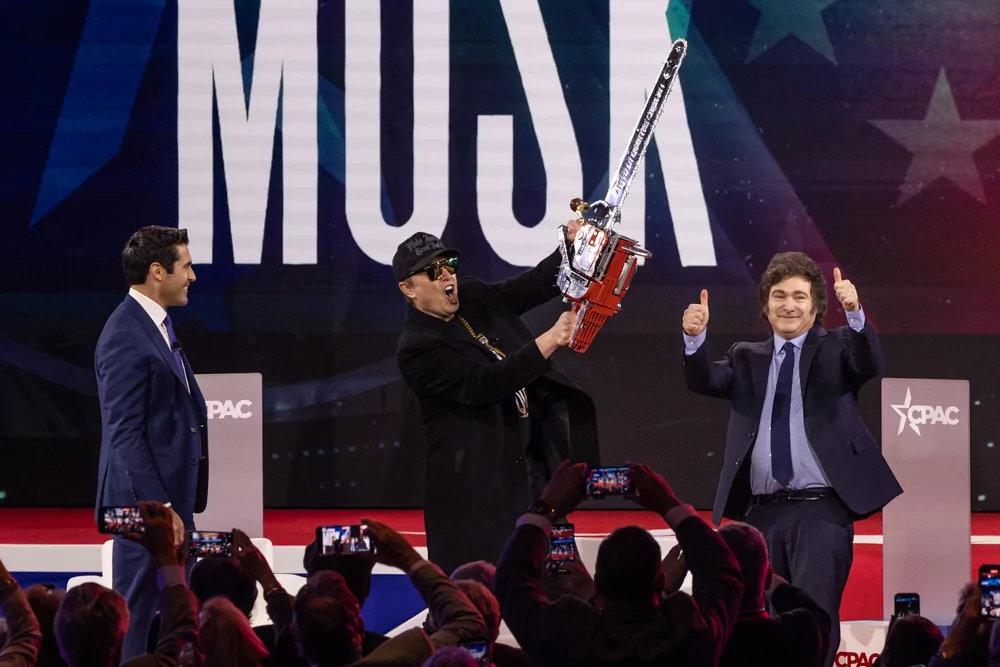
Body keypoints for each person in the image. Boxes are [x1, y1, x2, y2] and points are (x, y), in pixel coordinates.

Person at [681, 251, 903, 664]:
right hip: (760, 514)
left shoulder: (837, 345)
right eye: (779, 295)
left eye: (799, 297)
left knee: (814, 617)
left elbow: (869, 362)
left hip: (821, 510)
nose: (788, 304)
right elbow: (705, 380)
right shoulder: (746, 355)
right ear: (765, 306)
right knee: (757, 615)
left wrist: (854, 312)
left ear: (816, 306)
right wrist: (694, 339)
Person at [394, 227, 601, 572]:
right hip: (481, 491)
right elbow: (485, 385)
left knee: (565, 577)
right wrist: (550, 339)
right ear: (408, 289)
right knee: (479, 596)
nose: (447, 275)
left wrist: (570, 244)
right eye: (433, 271)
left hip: (532, 471)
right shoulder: (416, 349)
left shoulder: (473, 296)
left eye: (449, 263)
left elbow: (533, 286)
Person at [495, 461, 744, 667]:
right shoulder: (693, 632)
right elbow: (724, 571)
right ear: (660, 581)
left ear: (599, 585)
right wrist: (669, 504)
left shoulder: (562, 637)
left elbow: (511, 581)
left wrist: (544, 509)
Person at [94, 226, 208, 661]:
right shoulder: (124, 333)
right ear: (158, 271)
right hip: (145, 509)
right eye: (187, 266)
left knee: (173, 617)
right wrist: (158, 507)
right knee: (138, 619)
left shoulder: (156, 324)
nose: (193, 276)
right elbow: (124, 432)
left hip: (168, 506)